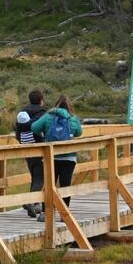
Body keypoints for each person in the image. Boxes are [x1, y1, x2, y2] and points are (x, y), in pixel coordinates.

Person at [31, 94, 82, 222]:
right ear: (69, 106)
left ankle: (46, 213)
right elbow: (79, 132)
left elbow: (34, 127)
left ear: (56, 104)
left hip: (50, 156)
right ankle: (64, 214)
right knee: (66, 185)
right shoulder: (72, 118)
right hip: (69, 157)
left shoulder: (48, 116)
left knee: (49, 184)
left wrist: (44, 135)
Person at [17, 89, 46, 217]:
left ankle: (32, 207)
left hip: (26, 148)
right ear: (41, 100)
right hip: (38, 147)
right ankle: (31, 202)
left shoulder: (22, 113)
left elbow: (16, 130)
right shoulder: (42, 113)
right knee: (40, 177)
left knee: (34, 176)